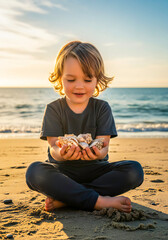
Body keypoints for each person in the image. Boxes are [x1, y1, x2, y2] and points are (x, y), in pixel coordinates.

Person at [26, 41, 144, 213]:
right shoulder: (53, 109)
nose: (79, 86)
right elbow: (53, 147)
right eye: (71, 79)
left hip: (97, 170)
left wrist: (97, 152)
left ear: (97, 80)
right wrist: (62, 154)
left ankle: (69, 199)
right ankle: (99, 200)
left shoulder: (102, 108)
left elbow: (103, 146)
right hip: (63, 172)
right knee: (34, 172)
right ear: (60, 78)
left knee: (134, 170)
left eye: (87, 79)